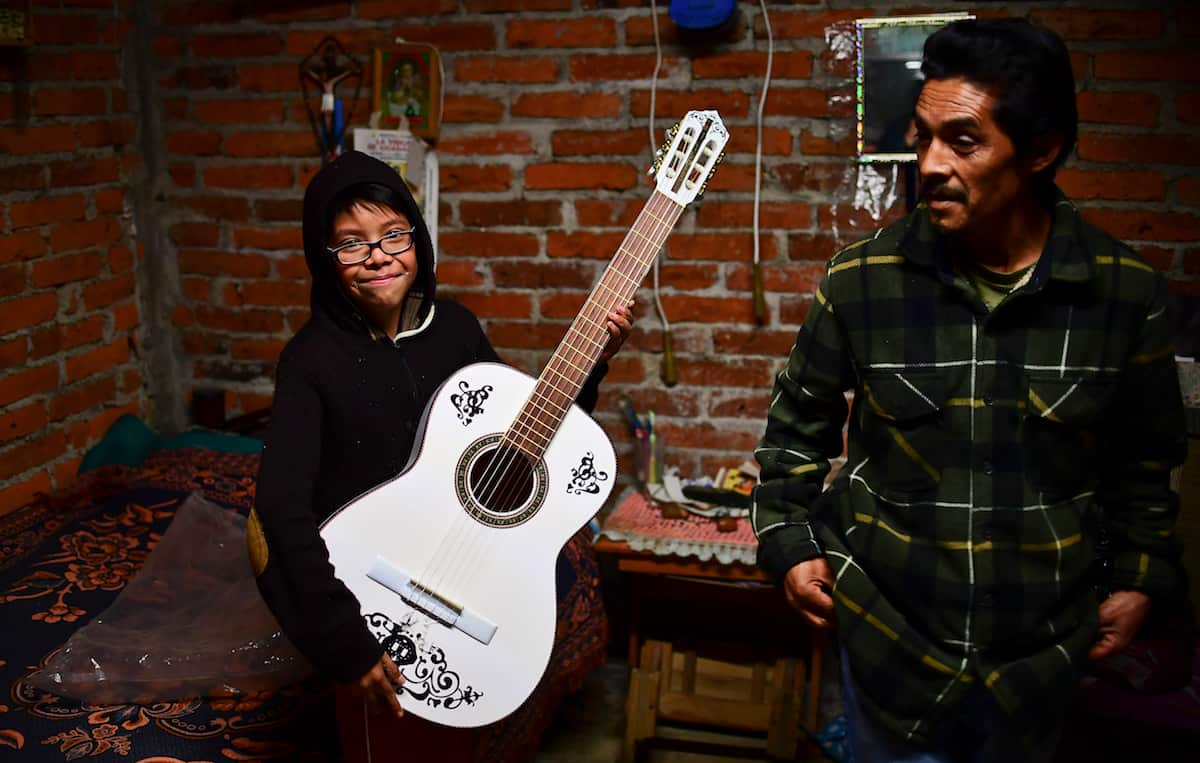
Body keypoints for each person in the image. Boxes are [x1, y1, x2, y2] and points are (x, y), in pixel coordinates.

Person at [751, 18, 1187, 762]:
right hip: (893, 648)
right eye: (921, 137)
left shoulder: (1123, 294)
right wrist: (788, 545)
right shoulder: (862, 281)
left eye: (963, 141)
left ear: (1041, 151)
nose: (929, 164)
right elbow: (794, 434)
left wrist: (1142, 576)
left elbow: (1144, 464)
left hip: (1040, 662)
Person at [246, 150, 633, 757]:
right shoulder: (310, 360)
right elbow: (280, 509)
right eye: (350, 243)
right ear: (323, 260)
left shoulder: (454, 329)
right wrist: (345, 640)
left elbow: (522, 437)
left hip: (466, 567)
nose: (377, 255)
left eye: (392, 234)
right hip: (368, 590)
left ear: (417, 239)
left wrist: (594, 357)